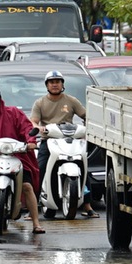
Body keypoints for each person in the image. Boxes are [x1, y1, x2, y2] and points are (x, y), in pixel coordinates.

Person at [0, 87, 42, 232]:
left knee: (27, 187)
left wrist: (30, 141)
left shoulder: (14, 113)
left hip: (18, 156)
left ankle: (36, 223)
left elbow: (27, 128)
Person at [29, 69, 91, 217]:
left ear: (62, 84)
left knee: (83, 165)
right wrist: (38, 128)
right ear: (47, 85)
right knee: (39, 169)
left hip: (69, 139)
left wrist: (88, 126)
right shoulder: (40, 103)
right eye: (51, 82)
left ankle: (88, 205)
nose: (55, 85)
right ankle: (34, 206)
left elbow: (86, 115)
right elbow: (33, 121)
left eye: (57, 82)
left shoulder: (71, 100)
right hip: (49, 141)